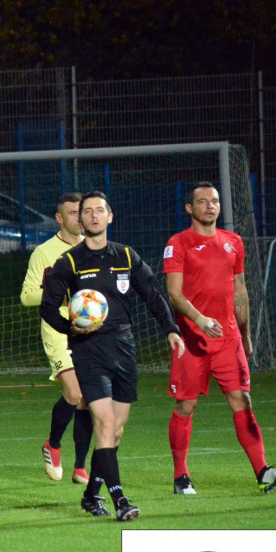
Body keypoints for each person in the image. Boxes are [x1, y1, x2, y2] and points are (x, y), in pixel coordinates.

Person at [40, 191, 185, 522]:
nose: (92, 216)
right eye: (86, 212)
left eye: (99, 211)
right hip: (88, 351)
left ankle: (91, 495)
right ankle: (119, 499)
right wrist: (71, 329)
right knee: (103, 422)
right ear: (79, 220)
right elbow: (48, 307)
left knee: (115, 431)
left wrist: (171, 329)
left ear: (110, 216)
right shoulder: (70, 262)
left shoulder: (127, 256)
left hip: (123, 348)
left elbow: (153, 295)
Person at [163, 181, 276, 494]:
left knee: (242, 399)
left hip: (228, 340)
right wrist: (200, 319)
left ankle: (263, 471)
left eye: (214, 201)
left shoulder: (233, 242)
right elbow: (173, 293)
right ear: (190, 208)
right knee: (186, 405)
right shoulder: (179, 243)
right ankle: (181, 476)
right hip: (191, 340)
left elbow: (239, 291)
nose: (210, 206)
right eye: (202, 202)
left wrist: (246, 335)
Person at [20, 193, 93, 484]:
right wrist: (62, 294)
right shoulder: (44, 252)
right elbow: (26, 296)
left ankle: (80, 467)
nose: (80, 218)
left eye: (83, 212)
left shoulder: (95, 249)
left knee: (87, 400)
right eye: (74, 213)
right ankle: (53, 444)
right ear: (60, 218)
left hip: (90, 331)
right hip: (57, 328)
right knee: (74, 394)